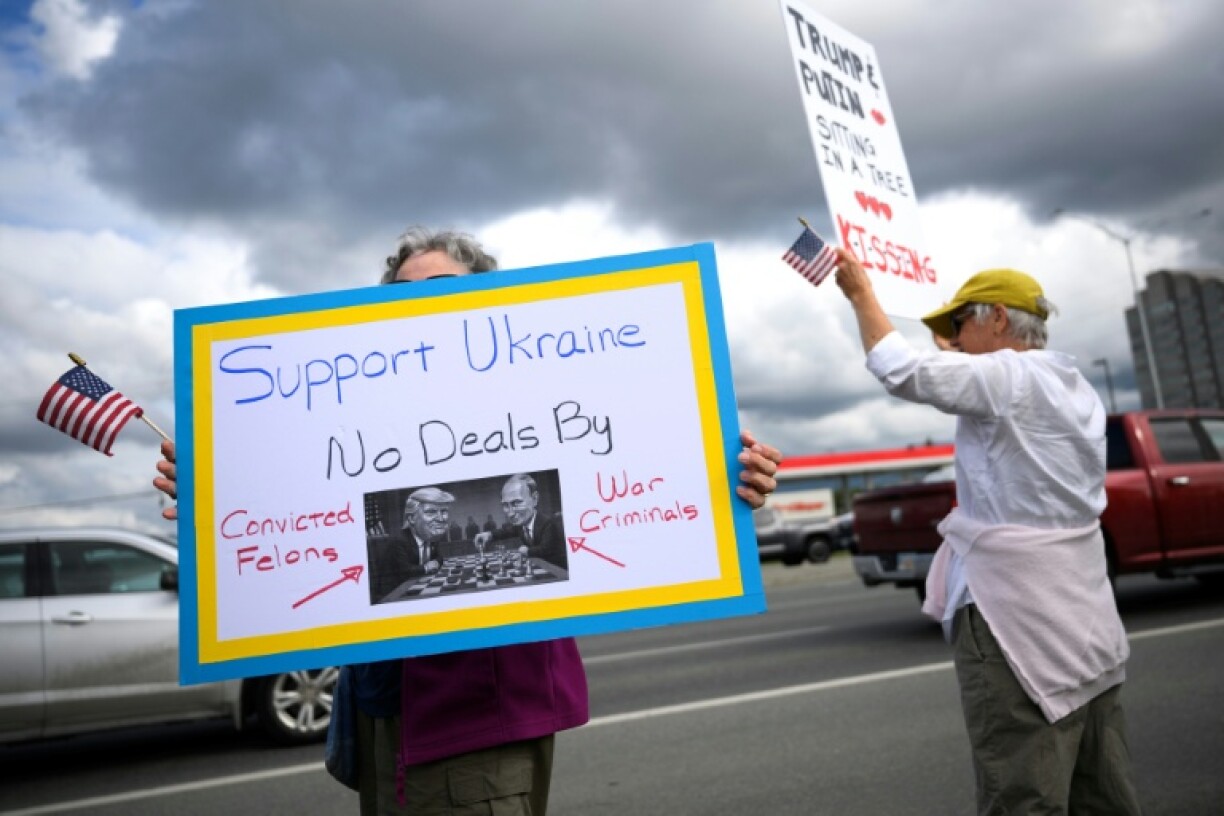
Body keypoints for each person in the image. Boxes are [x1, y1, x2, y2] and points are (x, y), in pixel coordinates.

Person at [154, 226, 784, 815]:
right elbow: (312, 532)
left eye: (442, 291)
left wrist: (724, 483)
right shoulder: (356, 418)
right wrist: (224, 500)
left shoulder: (541, 393)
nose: (418, 307)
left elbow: (635, 465)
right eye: (401, 295)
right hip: (381, 714)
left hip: (474, 725)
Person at [830, 252, 1141, 815]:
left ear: (998, 318)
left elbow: (899, 369)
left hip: (1018, 620)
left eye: (959, 324)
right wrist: (956, 345)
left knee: (1024, 792)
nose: (952, 340)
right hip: (1085, 612)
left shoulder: (1008, 377)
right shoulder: (1070, 384)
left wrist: (860, 294)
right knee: (1102, 792)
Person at [366, 487, 452, 604]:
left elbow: (439, 558)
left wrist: (435, 563)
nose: (441, 519)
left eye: (444, 512)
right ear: (411, 518)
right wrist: (427, 567)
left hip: (416, 587)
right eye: (431, 512)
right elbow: (405, 571)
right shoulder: (399, 541)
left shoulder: (430, 537)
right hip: (393, 596)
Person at [475, 473, 567, 571]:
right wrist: (489, 535)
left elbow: (547, 549)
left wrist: (527, 551)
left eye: (517, 503)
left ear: (534, 499)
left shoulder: (548, 523)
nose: (510, 514)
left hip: (560, 571)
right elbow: (506, 531)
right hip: (541, 569)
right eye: (505, 505)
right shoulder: (521, 525)